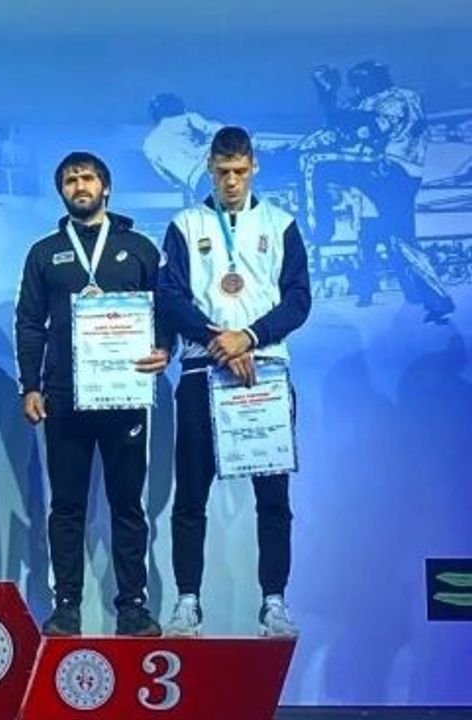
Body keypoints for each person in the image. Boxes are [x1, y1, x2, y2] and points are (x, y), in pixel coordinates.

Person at [157, 127, 311, 638]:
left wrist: (248, 337)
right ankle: (187, 605)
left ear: (254, 167)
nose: (230, 181)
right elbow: (170, 298)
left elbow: (298, 299)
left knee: (273, 498)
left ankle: (274, 604)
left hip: (264, 371)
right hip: (202, 370)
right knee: (190, 496)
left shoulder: (280, 224)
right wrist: (218, 340)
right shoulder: (185, 224)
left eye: (240, 171)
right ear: (209, 167)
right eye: (222, 171)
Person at [14, 152, 168, 637]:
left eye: (87, 178)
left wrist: (164, 347)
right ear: (61, 191)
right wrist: (31, 384)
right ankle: (66, 607)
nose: (79, 186)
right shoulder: (44, 253)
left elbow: (165, 309)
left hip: (124, 395)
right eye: (69, 180)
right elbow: (29, 322)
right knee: (66, 506)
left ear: (106, 186)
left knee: (128, 505)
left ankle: (133, 607)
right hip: (64, 397)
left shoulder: (139, 248)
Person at [305, 60, 453, 322]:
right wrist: (328, 96)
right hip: (390, 174)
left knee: (316, 164)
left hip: (390, 169)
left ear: (375, 78)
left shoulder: (402, 98)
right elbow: (342, 123)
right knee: (400, 237)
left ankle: (321, 229)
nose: (358, 89)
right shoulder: (370, 101)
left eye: (361, 82)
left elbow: (370, 125)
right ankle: (438, 299)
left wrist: (330, 94)